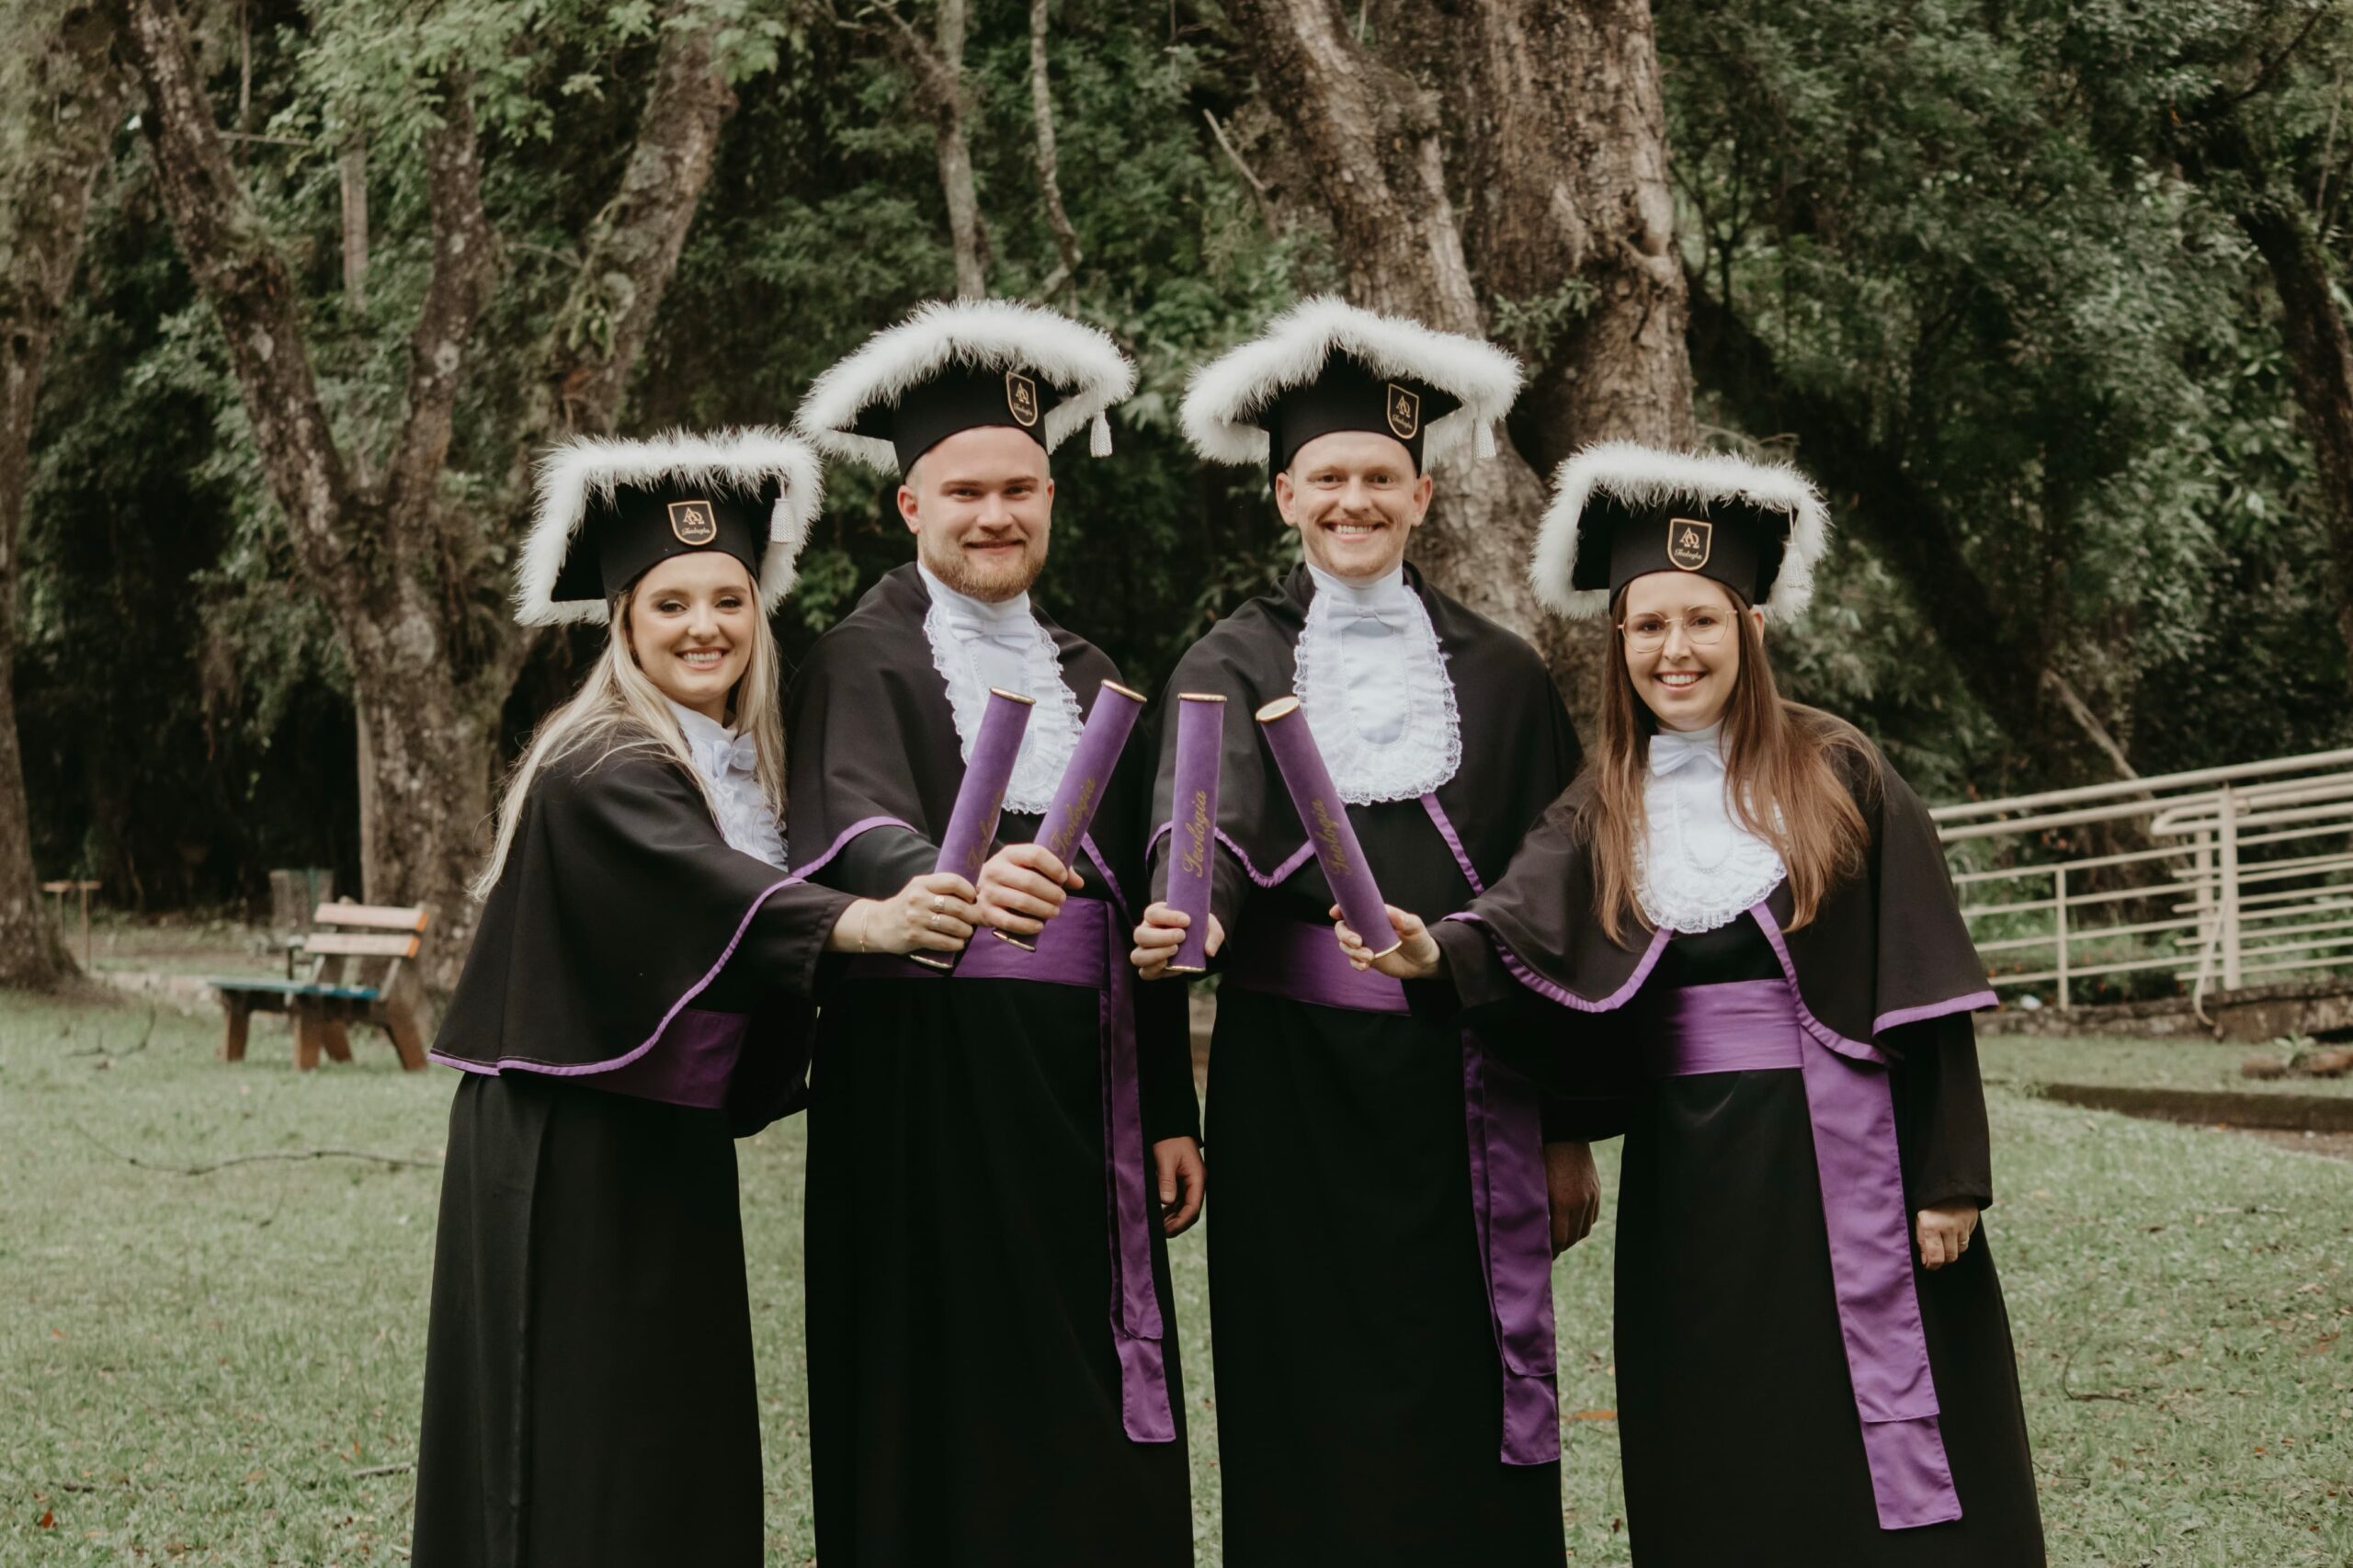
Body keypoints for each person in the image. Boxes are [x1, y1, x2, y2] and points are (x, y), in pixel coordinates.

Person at [1340, 441, 2047, 1564]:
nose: (1675, 650)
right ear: (1618, 641)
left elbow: (1923, 985)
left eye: (1700, 620)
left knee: (1884, 1436)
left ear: (1748, 628)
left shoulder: (1841, 770)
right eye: (1647, 625)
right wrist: (1435, 952)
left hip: (1845, 1159)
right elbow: (1517, 924)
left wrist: (1950, 1174)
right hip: (1693, 1173)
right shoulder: (1605, 801)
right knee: (1717, 1421)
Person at [411, 429, 980, 1567]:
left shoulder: (740, 757)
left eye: (728, 597)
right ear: (623, 620)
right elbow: (705, 884)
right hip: (563, 1145)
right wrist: (861, 923)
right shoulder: (601, 760)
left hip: (666, 1136)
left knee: (676, 1417)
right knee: (577, 1425)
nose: (704, 625)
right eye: (670, 603)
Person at [1127, 297, 1597, 1565]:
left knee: (1468, 1393)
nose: (1354, 500)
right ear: (1284, 493)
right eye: (1327, 476)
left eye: (1379, 478)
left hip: (1466, 1091)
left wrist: (1561, 1133)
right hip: (1290, 1093)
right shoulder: (1219, 662)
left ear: (1424, 496)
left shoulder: (1502, 676)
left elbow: (1554, 907)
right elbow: (1184, 871)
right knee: (1301, 1392)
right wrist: (1173, 1105)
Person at [784, 300, 1200, 1566]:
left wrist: (1172, 1107)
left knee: (1087, 1397)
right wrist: (949, 881)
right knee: (947, 1391)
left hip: (1087, 1104)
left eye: (1020, 488)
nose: (995, 514)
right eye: (964, 490)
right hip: (926, 1091)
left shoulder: (1092, 668)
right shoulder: (861, 658)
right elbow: (849, 824)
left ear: (1052, 498)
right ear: (910, 505)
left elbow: (1141, 899)